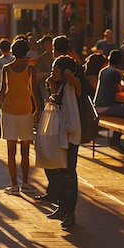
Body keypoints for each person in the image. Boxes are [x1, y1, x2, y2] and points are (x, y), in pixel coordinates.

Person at [0, 38, 40, 195]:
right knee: (25, 150)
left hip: (8, 111)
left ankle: (14, 185)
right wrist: (38, 110)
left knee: (11, 150)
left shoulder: (6, 68)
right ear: (26, 52)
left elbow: (2, 90)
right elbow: (33, 91)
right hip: (26, 110)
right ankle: (26, 182)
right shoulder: (30, 69)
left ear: (12, 51)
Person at [44, 56, 82, 228]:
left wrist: (68, 73)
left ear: (65, 71)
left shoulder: (74, 85)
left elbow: (77, 83)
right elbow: (55, 101)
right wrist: (52, 83)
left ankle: (70, 212)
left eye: (55, 69)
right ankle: (62, 207)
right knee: (59, 171)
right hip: (60, 135)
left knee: (69, 172)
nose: (52, 72)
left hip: (71, 135)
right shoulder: (61, 87)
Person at [94, 49, 124, 153]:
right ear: (119, 61)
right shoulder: (114, 73)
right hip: (106, 106)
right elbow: (120, 89)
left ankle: (116, 140)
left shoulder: (103, 71)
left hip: (97, 106)